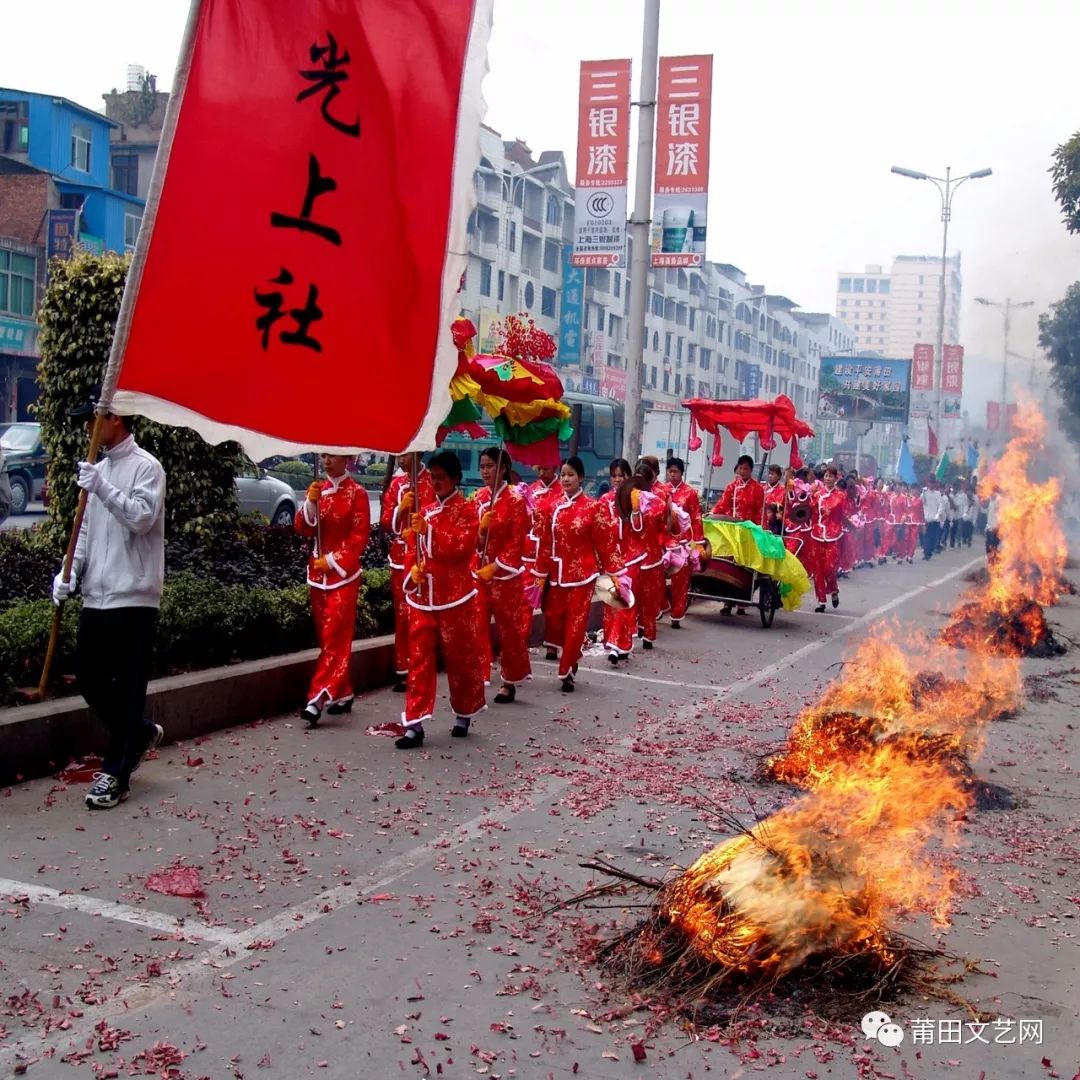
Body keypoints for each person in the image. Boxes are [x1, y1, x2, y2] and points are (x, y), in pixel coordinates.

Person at [52, 398, 166, 809]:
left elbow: (141, 518)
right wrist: (68, 573)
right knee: (88, 676)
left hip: (133, 596)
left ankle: (117, 773)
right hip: (96, 596)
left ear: (114, 418)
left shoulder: (146, 467)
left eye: (92, 422)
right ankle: (137, 732)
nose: (88, 430)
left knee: (129, 686)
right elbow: (83, 533)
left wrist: (103, 487)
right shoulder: (95, 471)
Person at [397, 451, 485, 749]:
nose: (435, 483)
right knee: (419, 659)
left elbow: (461, 548)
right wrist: (413, 571)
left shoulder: (467, 510)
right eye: (432, 477)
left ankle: (464, 711)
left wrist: (429, 532)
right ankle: (414, 723)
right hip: (424, 598)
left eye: (441, 478)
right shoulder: (424, 509)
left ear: (455, 479)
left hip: (455, 597)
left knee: (460, 658)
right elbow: (411, 548)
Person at [532, 456, 627, 693]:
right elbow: (544, 542)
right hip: (556, 575)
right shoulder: (550, 507)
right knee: (554, 618)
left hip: (582, 577)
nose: (565, 479)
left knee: (576, 624)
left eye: (571, 474)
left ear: (581, 478)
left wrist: (615, 573)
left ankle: (567, 669)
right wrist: (539, 572)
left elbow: (605, 543)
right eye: (563, 474)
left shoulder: (592, 508)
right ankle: (571, 654)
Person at [294, 454, 370, 728]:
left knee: (335, 634)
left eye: (332, 456)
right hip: (317, 576)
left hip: (343, 576)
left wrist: (334, 560)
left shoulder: (357, 494)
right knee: (328, 639)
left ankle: (317, 697)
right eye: (323, 456)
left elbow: (359, 536)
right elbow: (303, 528)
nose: (326, 461)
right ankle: (344, 691)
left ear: (346, 459)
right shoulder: (318, 490)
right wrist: (310, 504)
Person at [473, 446, 532, 704]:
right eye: (482, 466)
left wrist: (496, 567)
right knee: (476, 624)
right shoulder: (477, 499)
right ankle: (480, 671)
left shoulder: (515, 501)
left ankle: (509, 681)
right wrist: (480, 534)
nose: (485, 471)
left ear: (503, 469)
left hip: (506, 577)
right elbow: (469, 538)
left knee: (510, 630)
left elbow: (516, 542)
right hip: (479, 574)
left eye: (490, 466)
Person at [381, 453, 434, 693]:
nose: (402, 460)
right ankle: (403, 669)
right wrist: (399, 511)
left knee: (421, 615)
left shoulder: (432, 481)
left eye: (407, 455)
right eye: (399, 455)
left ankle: (421, 666)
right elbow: (385, 521)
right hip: (400, 558)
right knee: (402, 614)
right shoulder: (396, 484)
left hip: (424, 558)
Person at [712, 455, 765, 616]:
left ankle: (742, 603)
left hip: (748, 532)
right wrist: (712, 514)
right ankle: (727, 602)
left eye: (746, 469)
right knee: (729, 565)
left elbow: (760, 512)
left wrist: (759, 530)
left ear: (751, 471)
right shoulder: (731, 487)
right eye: (741, 468)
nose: (743, 471)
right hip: (731, 530)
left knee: (745, 566)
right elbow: (722, 504)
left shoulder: (757, 489)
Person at [523, 463, 563, 660]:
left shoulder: (563, 492)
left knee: (553, 602)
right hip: (532, 555)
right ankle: (520, 642)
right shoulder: (531, 490)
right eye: (538, 469)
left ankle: (553, 644)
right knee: (525, 601)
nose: (541, 472)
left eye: (545, 468)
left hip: (555, 555)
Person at [665, 457, 704, 628]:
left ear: (682, 473)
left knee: (680, 581)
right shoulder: (662, 491)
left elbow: (696, 518)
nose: (672, 475)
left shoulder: (690, 493)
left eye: (676, 472)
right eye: (670, 471)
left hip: (682, 543)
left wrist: (698, 543)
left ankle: (677, 614)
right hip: (663, 541)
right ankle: (663, 605)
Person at [806, 465, 845, 613]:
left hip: (833, 535)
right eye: (826, 476)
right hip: (816, 534)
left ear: (836, 478)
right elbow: (811, 512)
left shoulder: (841, 496)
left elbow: (844, 514)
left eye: (831, 476)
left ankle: (833, 590)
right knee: (817, 569)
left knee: (829, 568)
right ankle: (821, 601)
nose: (828, 478)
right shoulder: (817, 495)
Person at [921, 480, 944, 560]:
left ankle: (929, 552)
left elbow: (941, 505)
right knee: (926, 537)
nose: (931, 484)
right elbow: (922, 503)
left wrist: (938, 515)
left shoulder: (938, 494)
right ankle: (926, 553)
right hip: (926, 519)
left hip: (935, 519)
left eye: (933, 483)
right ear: (928, 483)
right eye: (930, 482)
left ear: (935, 484)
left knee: (933, 538)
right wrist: (923, 493)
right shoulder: (924, 493)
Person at [762, 463, 785, 535]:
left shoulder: (783, 490)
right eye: (769, 474)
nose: (770, 476)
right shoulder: (762, 489)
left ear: (779, 476)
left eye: (773, 474)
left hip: (776, 524)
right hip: (763, 521)